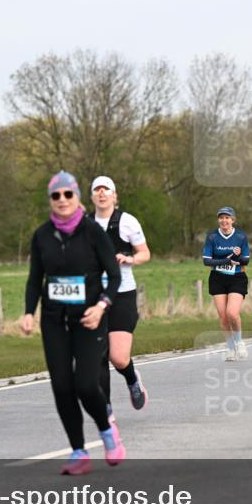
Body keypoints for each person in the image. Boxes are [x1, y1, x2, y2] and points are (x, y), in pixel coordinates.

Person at [20, 170, 125, 476]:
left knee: (86, 385)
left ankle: (106, 429)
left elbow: (114, 277)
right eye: (56, 195)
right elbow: (35, 280)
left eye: (68, 194)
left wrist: (101, 306)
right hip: (54, 321)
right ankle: (78, 451)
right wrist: (29, 312)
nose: (62, 199)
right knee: (62, 386)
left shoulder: (93, 232)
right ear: (50, 200)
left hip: (89, 319)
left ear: (77, 197)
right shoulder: (42, 236)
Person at [88, 176, 150, 414]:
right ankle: (106, 410)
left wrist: (129, 259)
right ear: (92, 197)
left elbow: (145, 253)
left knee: (119, 358)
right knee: (98, 355)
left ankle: (132, 379)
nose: (102, 193)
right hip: (94, 297)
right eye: (97, 190)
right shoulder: (85, 224)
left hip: (122, 294)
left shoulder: (127, 222)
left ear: (114, 196)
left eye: (106, 190)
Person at [202, 207, 251, 361]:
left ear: (233, 220)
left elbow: (246, 260)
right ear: (219, 220)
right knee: (223, 317)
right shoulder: (212, 237)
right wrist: (226, 261)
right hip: (217, 278)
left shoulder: (241, 237)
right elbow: (206, 261)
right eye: (221, 218)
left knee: (232, 313)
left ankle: (239, 342)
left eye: (227, 218)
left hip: (237, 277)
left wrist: (238, 257)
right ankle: (230, 348)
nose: (224, 221)